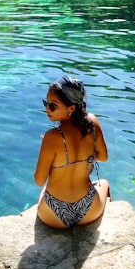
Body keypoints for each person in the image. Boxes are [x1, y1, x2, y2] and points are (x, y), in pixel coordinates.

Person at [34, 76, 110, 228]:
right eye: (46, 103)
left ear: (71, 108)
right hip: (89, 209)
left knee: (43, 192)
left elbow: (39, 181)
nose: (47, 109)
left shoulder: (52, 137)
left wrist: (50, 150)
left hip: (53, 214)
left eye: (53, 106)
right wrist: (84, 155)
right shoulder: (93, 122)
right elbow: (103, 157)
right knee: (104, 183)